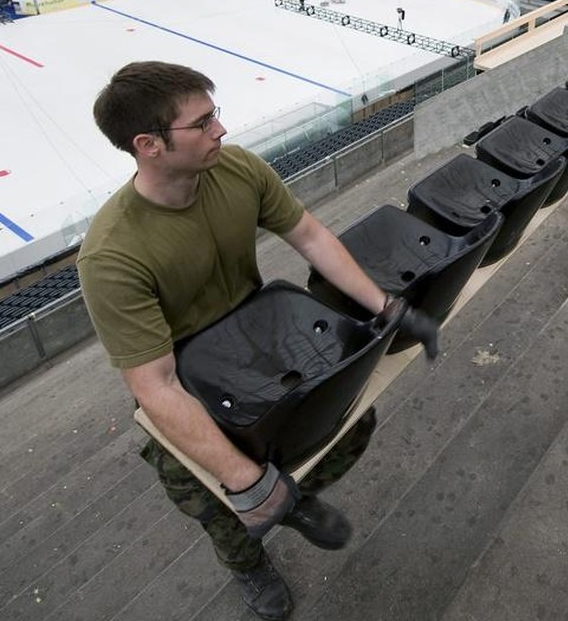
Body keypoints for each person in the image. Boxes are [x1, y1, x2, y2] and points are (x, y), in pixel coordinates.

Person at [77, 62, 441, 621]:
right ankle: (248, 562)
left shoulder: (236, 168)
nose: (220, 130)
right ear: (148, 145)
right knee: (218, 505)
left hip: (260, 340)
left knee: (352, 423)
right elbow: (156, 384)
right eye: (201, 124)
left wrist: (388, 305)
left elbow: (310, 235)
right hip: (190, 382)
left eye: (214, 114)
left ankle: (292, 494)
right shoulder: (112, 254)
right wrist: (249, 485)